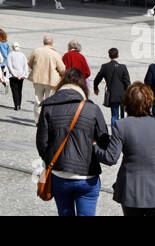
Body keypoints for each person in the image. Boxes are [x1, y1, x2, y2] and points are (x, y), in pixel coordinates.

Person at [101, 81, 155, 216]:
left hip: (131, 189)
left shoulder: (121, 125)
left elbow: (110, 158)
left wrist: (94, 146)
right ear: (149, 102)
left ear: (127, 103)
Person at [35, 67, 111, 216]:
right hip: (87, 175)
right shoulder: (92, 109)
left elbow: (42, 144)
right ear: (83, 86)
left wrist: (52, 160)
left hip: (60, 175)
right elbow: (104, 143)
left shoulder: (48, 107)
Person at [28, 34, 66, 120]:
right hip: (51, 80)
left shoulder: (36, 51)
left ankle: (37, 120)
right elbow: (62, 69)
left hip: (38, 79)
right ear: (52, 43)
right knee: (49, 101)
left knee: (38, 100)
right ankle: (47, 120)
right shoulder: (55, 54)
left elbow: (30, 63)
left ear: (43, 42)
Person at [93, 48, 132, 128]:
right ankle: (122, 131)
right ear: (117, 55)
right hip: (122, 95)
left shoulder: (105, 67)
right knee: (122, 115)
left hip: (112, 95)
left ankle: (115, 133)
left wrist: (95, 88)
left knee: (114, 115)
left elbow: (97, 79)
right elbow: (128, 82)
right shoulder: (123, 67)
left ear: (109, 55)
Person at [6, 41, 29, 111]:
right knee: (19, 90)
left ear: (12, 47)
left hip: (13, 76)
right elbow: (25, 66)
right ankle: (19, 104)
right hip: (21, 76)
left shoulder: (10, 55)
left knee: (14, 91)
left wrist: (15, 74)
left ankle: (16, 105)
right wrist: (23, 74)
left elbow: (9, 66)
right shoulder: (22, 55)